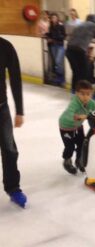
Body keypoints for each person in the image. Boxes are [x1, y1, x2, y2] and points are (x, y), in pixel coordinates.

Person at [59, 80, 95, 175]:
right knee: (70, 146)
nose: (85, 97)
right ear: (76, 93)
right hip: (66, 127)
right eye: (82, 94)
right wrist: (77, 116)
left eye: (88, 94)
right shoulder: (74, 103)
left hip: (78, 126)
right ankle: (67, 160)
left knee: (81, 144)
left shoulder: (89, 102)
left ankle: (79, 161)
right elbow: (69, 113)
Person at [0, 37, 27, 207]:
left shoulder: (5, 47)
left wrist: (19, 110)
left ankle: (13, 187)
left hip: (1, 109)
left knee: (9, 149)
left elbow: (16, 78)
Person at [46, 13, 66, 86]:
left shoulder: (61, 26)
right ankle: (58, 77)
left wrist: (54, 38)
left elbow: (64, 36)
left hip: (60, 46)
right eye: (52, 18)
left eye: (55, 17)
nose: (53, 19)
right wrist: (48, 37)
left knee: (58, 61)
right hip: (53, 46)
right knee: (56, 62)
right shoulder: (51, 26)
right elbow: (49, 34)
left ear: (57, 18)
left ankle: (61, 76)